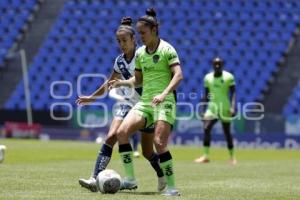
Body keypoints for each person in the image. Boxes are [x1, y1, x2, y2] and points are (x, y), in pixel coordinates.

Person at [76, 17, 166, 192]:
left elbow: (141, 81)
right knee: (112, 136)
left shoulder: (144, 56)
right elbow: (110, 82)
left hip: (146, 105)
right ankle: (95, 178)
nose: (121, 44)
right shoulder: (119, 61)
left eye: (124, 40)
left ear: (134, 39)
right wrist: (91, 98)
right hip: (127, 103)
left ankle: (162, 175)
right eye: (119, 41)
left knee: (148, 152)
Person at [109, 8, 183, 196]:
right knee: (122, 133)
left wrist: (164, 93)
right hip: (145, 102)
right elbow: (138, 80)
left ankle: (172, 189)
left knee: (159, 143)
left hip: (164, 101)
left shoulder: (167, 49)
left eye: (143, 32)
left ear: (154, 30)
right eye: (139, 33)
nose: (140, 36)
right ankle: (130, 180)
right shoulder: (141, 53)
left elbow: (178, 75)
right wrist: (122, 82)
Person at [194, 57, 237, 165]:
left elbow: (233, 93)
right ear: (212, 65)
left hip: (225, 108)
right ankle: (205, 156)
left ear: (222, 65)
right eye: (215, 64)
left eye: (219, 64)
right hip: (212, 108)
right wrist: (203, 109)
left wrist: (233, 107)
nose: (217, 65)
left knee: (227, 132)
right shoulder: (207, 78)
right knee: (206, 128)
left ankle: (232, 157)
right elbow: (206, 94)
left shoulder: (229, 77)